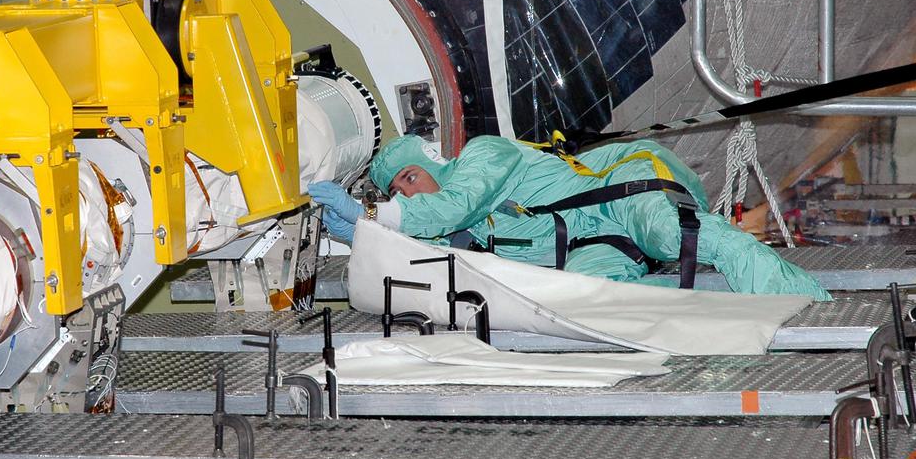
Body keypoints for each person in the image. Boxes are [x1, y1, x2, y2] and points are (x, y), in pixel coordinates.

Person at [308, 134, 831, 300]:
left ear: (432, 163)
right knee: (585, 301)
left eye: (409, 178)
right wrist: (363, 235)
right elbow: (431, 256)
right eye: (397, 189)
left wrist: (374, 214)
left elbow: (456, 203)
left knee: (679, 234)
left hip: (623, 193)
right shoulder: (461, 231)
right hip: (595, 242)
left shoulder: (482, 157)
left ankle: (811, 313)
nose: (407, 191)